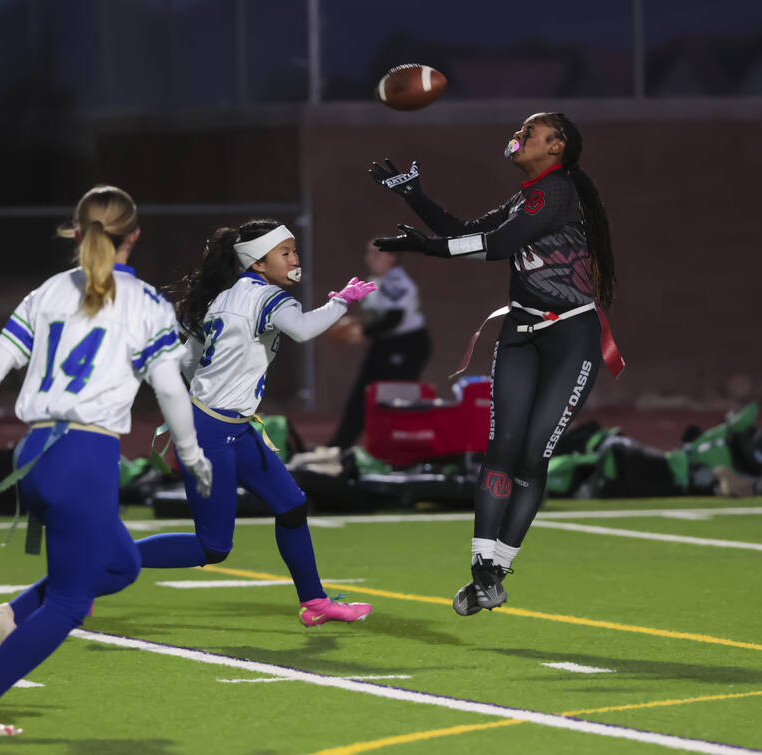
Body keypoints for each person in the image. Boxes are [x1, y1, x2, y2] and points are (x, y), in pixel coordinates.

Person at [0, 185, 213, 736]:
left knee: (122, 565)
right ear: (135, 236)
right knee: (71, 601)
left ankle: (7, 616)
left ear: (77, 233)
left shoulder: (48, 291)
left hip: (32, 454)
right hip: (85, 456)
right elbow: (171, 392)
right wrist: (193, 454)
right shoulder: (146, 302)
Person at [371, 112, 623, 615]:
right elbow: (467, 231)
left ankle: (499, 568)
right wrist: (413, 195)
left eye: (532, 131)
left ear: (557, 146)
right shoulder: (527, 196)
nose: (520, 135)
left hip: (570, 335)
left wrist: (427, 248)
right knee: (500, 449)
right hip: (520, 332)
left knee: (532, 454)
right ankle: (483, 570)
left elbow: (495, 246)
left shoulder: (556, 191)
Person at [130, 219, 377, 626]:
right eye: (286, 252)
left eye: (295, 250)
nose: (295, 259)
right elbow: (301, 330)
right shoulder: (266, 297)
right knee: (213, 547)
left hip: (228, 426)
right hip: (212, 431)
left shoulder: (223, 297)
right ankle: (103, 559)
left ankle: (314, 603)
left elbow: (188, 362)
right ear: (258, 262)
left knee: (292, 506)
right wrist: (341, 301)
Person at [327, 241, 432, 449]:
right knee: (363, 394)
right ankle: (339, 446)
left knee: (396, 399)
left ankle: (403, 449)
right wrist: (360, 325)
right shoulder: (377, 280)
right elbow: (381, 319)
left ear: (392, 257)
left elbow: (395, 317)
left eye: (378, 254)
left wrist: (363, 331)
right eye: (369, 254)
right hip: (385, 344)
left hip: (407, 345)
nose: (371, 258)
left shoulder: (396, 281)